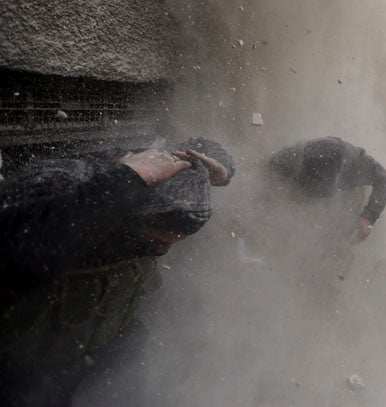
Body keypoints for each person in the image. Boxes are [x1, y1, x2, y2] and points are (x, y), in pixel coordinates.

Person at [0, 139, 234, 406]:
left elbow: (200, 145)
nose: (164, 251)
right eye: (158, 241)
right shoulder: (63, 184)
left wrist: (219, 167)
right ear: (132, 215)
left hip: (102, 345)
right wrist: (122, 183)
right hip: (27, 368)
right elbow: (20, 252)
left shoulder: (153, 163)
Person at [269, 137, 386, 243]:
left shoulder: (357, 164)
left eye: (324, 180)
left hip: (344, 197)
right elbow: (267, 174)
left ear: (342, 166)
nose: (318, 185)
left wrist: (368, 216)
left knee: (338, 232)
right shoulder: (292, 156)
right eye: (314, 178)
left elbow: (385, 181)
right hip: (299, 191)